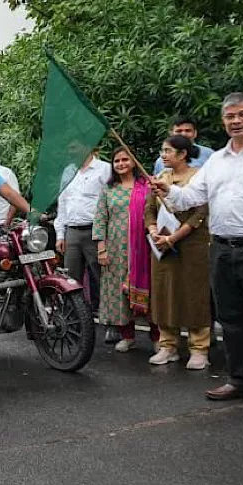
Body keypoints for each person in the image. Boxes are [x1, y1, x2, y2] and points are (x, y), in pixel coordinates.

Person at [152, 92, 243, 414]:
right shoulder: (216, 160)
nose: (236, 121)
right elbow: (190, 198)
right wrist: (169, 191)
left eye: (242, 115)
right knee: (230, 321)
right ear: (223, 122)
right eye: (230, 116)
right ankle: (239, 380)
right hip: (221, 248)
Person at [145, 135, 212, 369]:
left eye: (168, 151)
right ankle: (168, 345)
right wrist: (154, 231)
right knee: (165, 293)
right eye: (162, 150)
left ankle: (199, 348)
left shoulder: (198, 176)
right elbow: (149, 210)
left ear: (183, 154)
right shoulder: (160, 178)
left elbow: (199, 213)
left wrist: (174, 237)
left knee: (194, 293)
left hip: (192, 243)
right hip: (162, 245)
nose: (163, 155)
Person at [94, 145, 158, 352]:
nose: (121, 164)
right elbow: (100, 219)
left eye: (125, 160)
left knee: (150, 291)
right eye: (117, 161)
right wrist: (101, 249)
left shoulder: (146, 186)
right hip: (115, 249)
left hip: (143, 249)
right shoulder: (108, 190)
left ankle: (157, 337)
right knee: (119, 294)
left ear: (133, 162)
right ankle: (127, 335)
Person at [55, 148, 112, 322]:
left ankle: (111, 321)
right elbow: (62, 203)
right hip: (72, 231)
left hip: (96, 230)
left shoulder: (105, 168)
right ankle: (74, 321)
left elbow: (112, 198)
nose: (73, 151)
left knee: (103, 276)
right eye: (70, 149)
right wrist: (60, 234)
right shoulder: (68, 172)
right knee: (71, 279)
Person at [151, 116, 216, 174]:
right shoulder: (161, 161)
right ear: (171, 134)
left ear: (195, 133)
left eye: (188, 131)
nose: (183, 134)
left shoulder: (209, 155)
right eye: (179, 131)